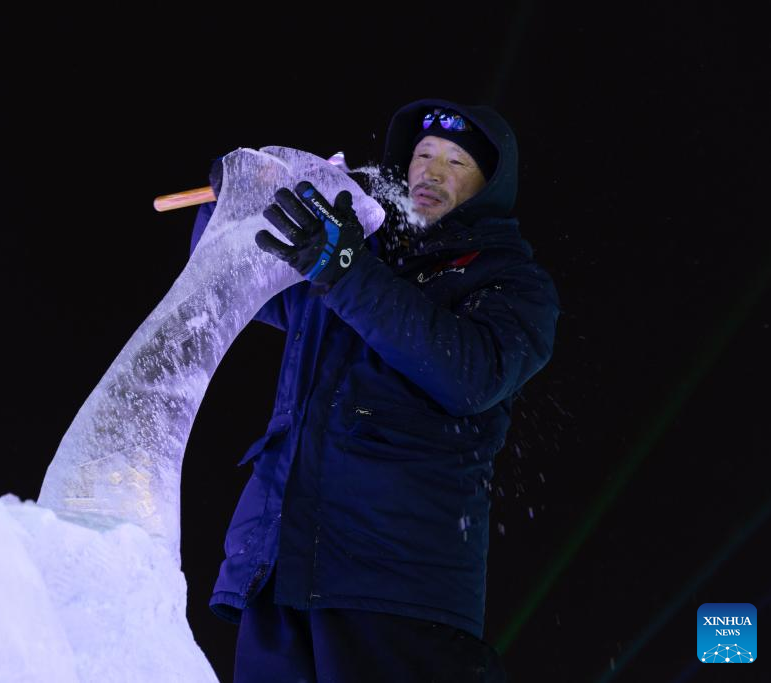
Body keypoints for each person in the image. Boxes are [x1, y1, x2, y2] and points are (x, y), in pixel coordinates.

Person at [189, 98, 559, 682]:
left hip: (396, 588)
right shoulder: (352, 246)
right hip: (277, 574)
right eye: (424, 155)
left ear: (489, 185)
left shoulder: (509, 280)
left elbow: (471, 376)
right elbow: (234, 288)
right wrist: (231, 205)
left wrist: (344, 267)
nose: (432, 173)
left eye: (457, 162)